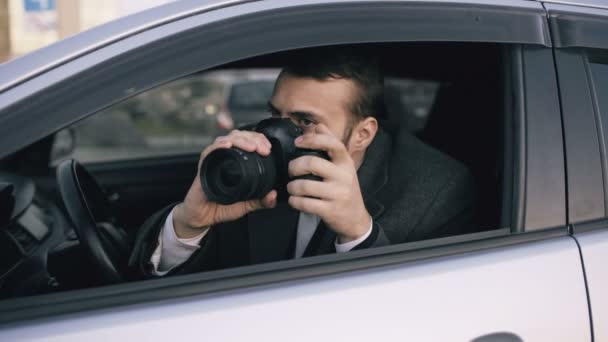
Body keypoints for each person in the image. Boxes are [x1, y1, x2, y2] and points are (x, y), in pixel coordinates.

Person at [129, 47, 474, 277]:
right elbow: (155, 283)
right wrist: (189, 225)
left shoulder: (436, 189)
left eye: (304, 122)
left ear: (363, 134)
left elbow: (425, 315)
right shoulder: (249, 153)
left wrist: (359, 234)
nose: (278, 133)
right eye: (275, 114)